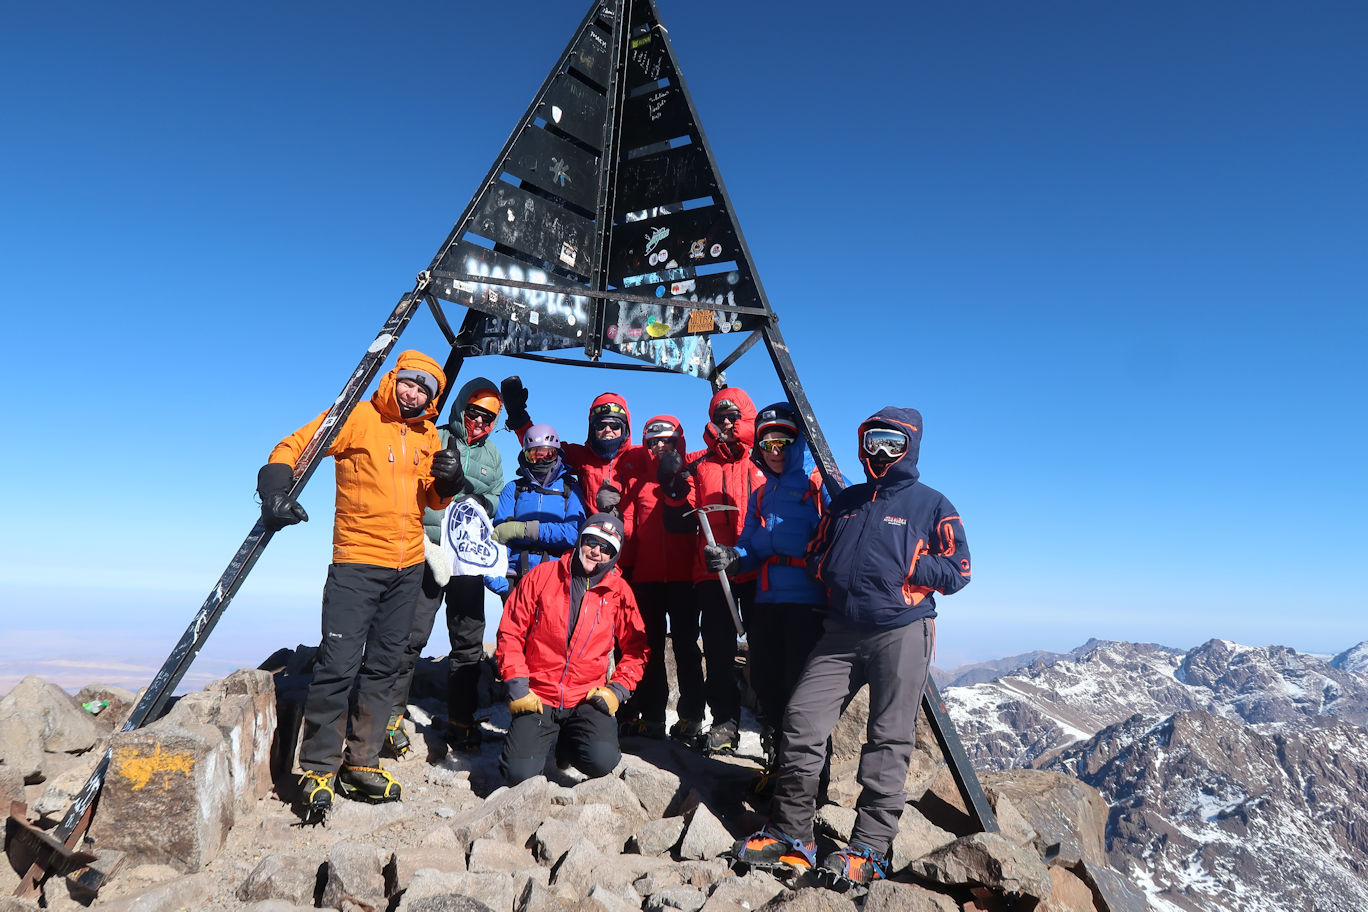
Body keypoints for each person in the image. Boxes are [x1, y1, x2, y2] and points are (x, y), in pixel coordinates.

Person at [732, 407, 972, 885]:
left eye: (892, 443)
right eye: (873, 441)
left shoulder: (932, 504)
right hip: (840, 631)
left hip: (902, 631)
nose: (880, 452)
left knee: (888, 739)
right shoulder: (846, 501)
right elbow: (818, 551)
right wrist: (830, 570)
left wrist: (909, 570)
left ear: (910, 447)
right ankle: (791, 834)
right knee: (801, 722)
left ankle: (868, 849)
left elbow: (959, 571)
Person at [257, 350, 463, 816]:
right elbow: (295, 444)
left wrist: (450, 482)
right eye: (410, 383)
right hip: (356, 563)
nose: (414, 394)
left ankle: (361, 763)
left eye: (425, 391)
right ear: (395, 378)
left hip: (407, 566)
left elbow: (432, 498)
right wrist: (274, 490)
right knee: (338, 666)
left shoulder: (427, 434)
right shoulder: (357, 414)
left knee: (385, 667)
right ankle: (317, 768)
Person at [707, 402, 830, 784]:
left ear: (796, 443)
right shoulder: (762, 495)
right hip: (767, 602)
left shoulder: (818, 484)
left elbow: (838, 538)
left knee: (802, 693)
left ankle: (810, 781)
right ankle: (780, 764)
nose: (774, 451)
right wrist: (731, 556)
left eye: (782, 442)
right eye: (767, 445)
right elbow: (751, 546)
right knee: (767, 684)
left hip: (806, 605)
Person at [385, 377, 504, 756]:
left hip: (465, 559)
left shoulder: (493, 456)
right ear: (460, 410)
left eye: (488, 418)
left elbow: (495, 498)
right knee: (410, 635)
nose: (480, 423)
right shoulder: (433, 437)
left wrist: (482, 507)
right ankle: (388, 716)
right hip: (427, 550)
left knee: (468, 642)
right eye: (474, 413)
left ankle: (461, 719)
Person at [494, 513, 649, 784]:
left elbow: (637, 650)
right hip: (538, 695)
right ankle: (540, 739)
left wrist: (617, 690)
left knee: (602, 761)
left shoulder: (619, 592)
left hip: (585, 698)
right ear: (580, 540)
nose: (596, 551)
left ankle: (567, 743)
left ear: (614, 555)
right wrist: (518, 685)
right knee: (517, 775)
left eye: (607, 548)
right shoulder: (542, 576)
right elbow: (511, 631)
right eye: (591, 541)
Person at [658, 387, 766, 754]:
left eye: (733, 414)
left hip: (756, 570)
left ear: (746, 416)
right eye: (719, 415)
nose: (726, 421)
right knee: (718, 651)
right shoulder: (700, 465)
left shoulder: (764, 459)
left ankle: (772, 726)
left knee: (765, 652)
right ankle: (724, 724)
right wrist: (673, 488)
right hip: (711, 572)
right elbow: (680, 520)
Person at [614, 415, 695, 739]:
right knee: (651, 649)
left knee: (687, 648)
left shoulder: (691, 477)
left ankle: (691, 717)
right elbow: (630, 530)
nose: (659, 446)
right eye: (653, 442)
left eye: (666, 440)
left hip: (685, 578)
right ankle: (653, 716)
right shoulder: (640, 485)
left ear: (678, 442)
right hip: (646, 579)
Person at [499, 379, 638, 523]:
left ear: (625, 428)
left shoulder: (639, 456)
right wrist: (518, 417)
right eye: (600, 425)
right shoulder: (583, 456)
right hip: (592, 540)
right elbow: (541, 446)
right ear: (592, 429)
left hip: (632, 541)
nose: (607, 430)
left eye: (615, 425)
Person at [487, 424, 586, 595]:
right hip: (516, 576)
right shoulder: (513, 489)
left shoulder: (570, 489)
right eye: (533, 455)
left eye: (548, 454)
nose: (540, 461)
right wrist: (497, 570)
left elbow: (574, 533)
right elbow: (500, 536)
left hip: (557, 575)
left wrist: (525, 530)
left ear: (557, 455)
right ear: (525, 456)